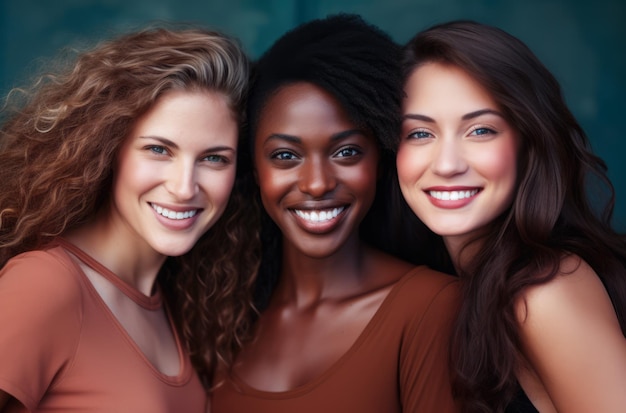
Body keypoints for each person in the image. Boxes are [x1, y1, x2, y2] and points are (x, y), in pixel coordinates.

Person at [0, 26, 258, 412]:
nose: (184, 187)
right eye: (158, 149)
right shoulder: (45, 285)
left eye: (213, 158)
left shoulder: (177, 303)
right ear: (108, 149)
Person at [211, 14, 460, 413]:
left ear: (380, 158)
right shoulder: (224, 315)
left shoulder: (428, 308)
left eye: (346, 152)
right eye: (285, 156)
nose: (316, 183)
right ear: (255, 169)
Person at [396, 20, 626, 413]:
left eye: (481, 130)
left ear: (527, 143)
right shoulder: (443, 285)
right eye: (420, 134)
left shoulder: (545, 288)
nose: (447, 164)